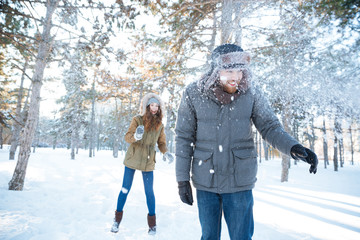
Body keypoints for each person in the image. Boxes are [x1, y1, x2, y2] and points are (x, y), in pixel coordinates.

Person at [174, 44, 318, 240]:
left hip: (239, 181)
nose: (236, 76)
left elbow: (270, 127)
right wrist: (182, 180)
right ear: (216, 70)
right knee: (208, 237)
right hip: (206, 180)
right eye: (229, 70)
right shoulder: (194, 93)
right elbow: (184, 137)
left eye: (239, 70)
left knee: (242, 237)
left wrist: (293, 147)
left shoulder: (251, 93)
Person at [111, 92, 174, 235]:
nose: (154, 108)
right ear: (147, 106)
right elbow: (127, 137)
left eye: (157, 106)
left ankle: (152, 225)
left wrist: (166, 152)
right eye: (152, 105)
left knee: (149, 192)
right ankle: (116, 221)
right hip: (133, 158)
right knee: (125, 189)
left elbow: (162, 143)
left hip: (148, 160)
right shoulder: (137, 120)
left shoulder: (159, 125)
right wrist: (136, 136)